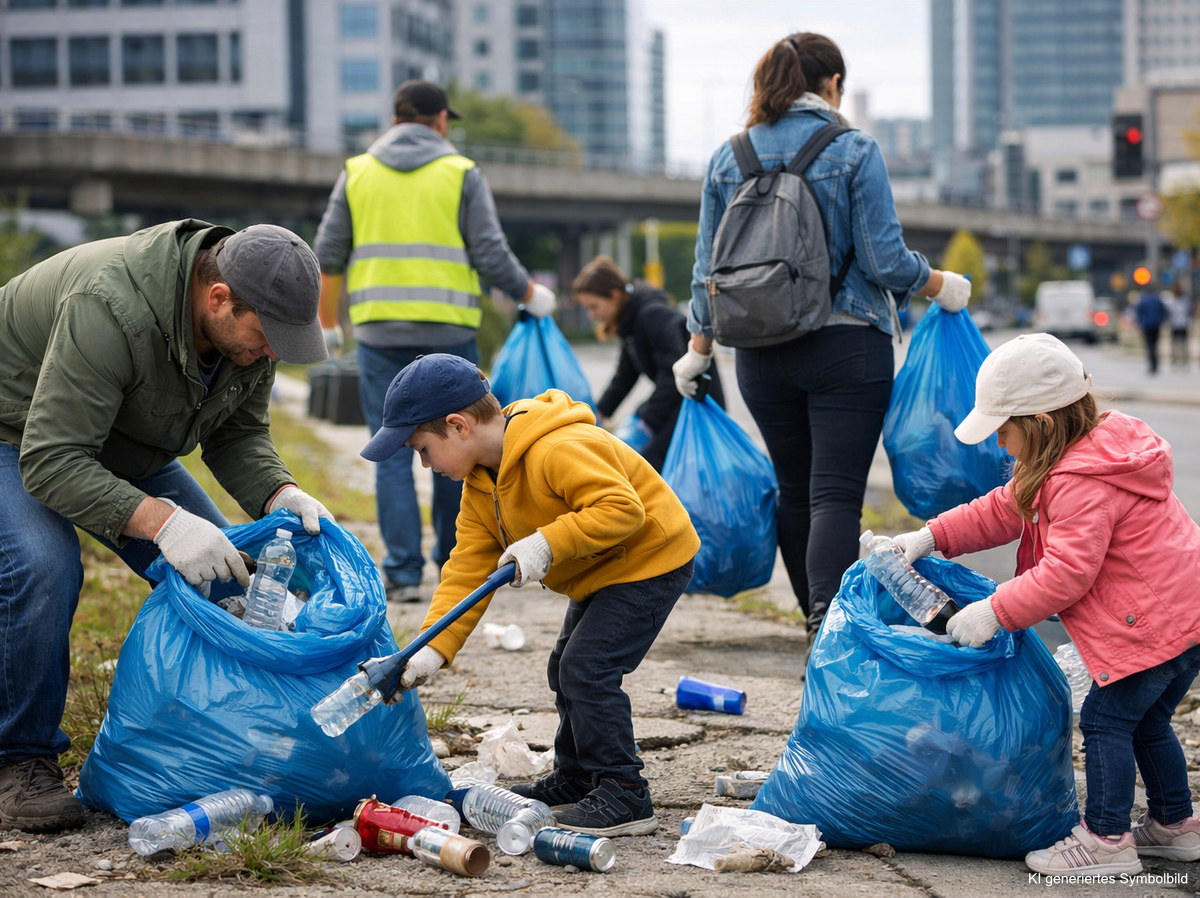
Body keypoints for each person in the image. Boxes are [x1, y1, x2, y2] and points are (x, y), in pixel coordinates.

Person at [0, 220, 336, 833]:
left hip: (117, 436)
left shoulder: (248, 333)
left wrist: (279, 492)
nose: (272, 352)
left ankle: (234, 745)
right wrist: (159, 521)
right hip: (17, 431)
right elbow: (53, 459)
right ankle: (20, 759)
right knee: (43, 566)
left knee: (229, 582)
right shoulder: (108, 306)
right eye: (267, 336)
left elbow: (238, 434)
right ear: (219, 298)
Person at [672, 32, 971, 652]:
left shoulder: (728, 158)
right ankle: (829, 627)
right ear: (832, 84)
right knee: (835, 492)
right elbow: (886, 261)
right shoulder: (853, 149)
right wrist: (941, 283)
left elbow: (707, 271)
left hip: (757, 353)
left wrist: (698, 349)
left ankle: (815, 615)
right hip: (845, 347)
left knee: (795, 487)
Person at [893, 333, 1200, 877]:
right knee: (1148, 720)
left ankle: (1107, 841)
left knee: (1106, 720)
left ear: (1041, 424)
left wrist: (994, 611)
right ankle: (1175, 827)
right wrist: (929, 538)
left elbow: (1067, 573)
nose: (1000, 446)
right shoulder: (1088, 455)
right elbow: (997, 511)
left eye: (1005, 432)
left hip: (1152, 625)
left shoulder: (1080, 482)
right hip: (1184, 615)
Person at [360, 354, 699, 836]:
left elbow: (624, 510)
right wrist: (428, 651)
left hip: (651, 560)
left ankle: (624, 791)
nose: (424, 463)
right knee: (563, 666)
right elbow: (466, 572)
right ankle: (578, 778)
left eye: (422, 448)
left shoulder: (557, 446)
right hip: (600, 570)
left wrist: (547, 542)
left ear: (457, 426)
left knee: (589, 667)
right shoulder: (480, 483)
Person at [315, 79, 555, 603]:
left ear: (396, 118)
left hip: (378, 331)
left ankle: (402, 575)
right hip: (449, 333)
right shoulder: (460, 173)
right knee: (459, 445)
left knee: (395, 451)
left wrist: (327, 320)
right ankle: (457, 564)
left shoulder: (358, 173)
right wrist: (530, 294)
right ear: (441, 120)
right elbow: (490, 253)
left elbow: (328, 251)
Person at [572, 256, 726, 471]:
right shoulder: (630, 320)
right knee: (651, 461)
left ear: (614, 295)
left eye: (594, 307)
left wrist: (648, 420)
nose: (592, 315)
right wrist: (600, 412)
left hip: (696, 398)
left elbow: (672, 371)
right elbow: (626, 373)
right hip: (679, 399)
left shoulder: (652, 314)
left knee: (651, 460)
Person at [1135, 285, 1166, 374]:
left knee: (1149, 345)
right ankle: (1155, 363)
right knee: (1155, 345)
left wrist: (1140, 323)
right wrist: (1161, 321)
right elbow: (1163, 311)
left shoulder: (1144, 301)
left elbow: (1138, 313)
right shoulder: (1158, 300)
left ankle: (1152, 364)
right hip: (1156, 325)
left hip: (1147, 325)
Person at [1165, 283, 1192, 370]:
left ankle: (1185, 362)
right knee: (1174, 345)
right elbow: (1168, 312)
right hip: (1174, 325)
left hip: (1183, 324)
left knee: (1184, 345)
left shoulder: (1185, 300)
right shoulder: (1170, 300)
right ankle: (1175, 362)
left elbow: (1188, 311)